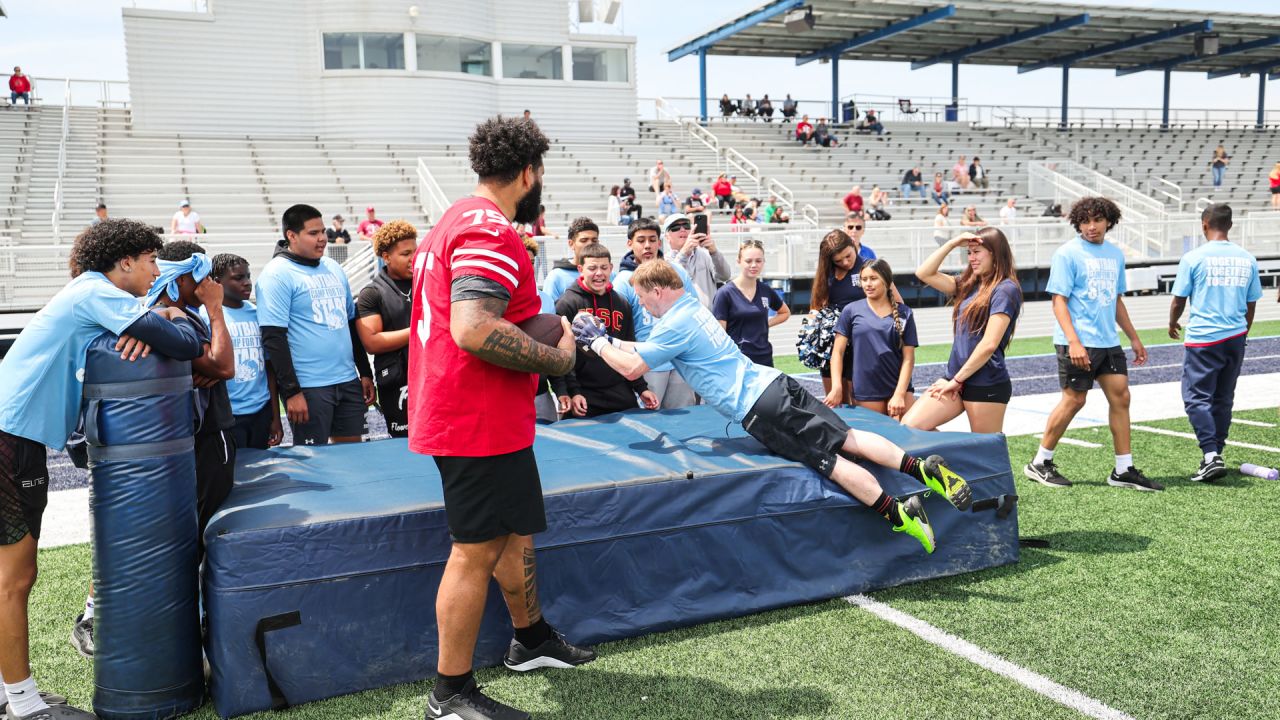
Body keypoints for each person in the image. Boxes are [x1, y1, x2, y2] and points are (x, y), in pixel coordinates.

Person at [579, 259, 976, 557]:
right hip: (774, 383)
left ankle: (898, 513)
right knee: (849, 437)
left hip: (760, 407)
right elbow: (645, 351)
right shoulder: (692, 310)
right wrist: (608, 339)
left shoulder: (673, 324)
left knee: (831, 461)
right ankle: (921, 468)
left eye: (643, 298)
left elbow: (634, 365)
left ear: (659, 290)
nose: (643, 307)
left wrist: (597, 343)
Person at [409, 115, 594, 720]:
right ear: (527, 172)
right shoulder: (489, 228)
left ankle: (531, 638)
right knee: (475, 551)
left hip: (484, 413)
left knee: (514, 532)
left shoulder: (459, 218)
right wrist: (557, 356)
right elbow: (474, 327)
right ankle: (450, 693)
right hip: (474, 417)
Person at [4, 220, 204, 697]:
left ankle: (8, 691)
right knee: (16, 575)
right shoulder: (96, 293)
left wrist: (164, 320)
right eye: (151, 260)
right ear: (126, 262)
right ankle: (22, 701)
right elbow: (187, 343)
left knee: (10, 574)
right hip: (10, 434)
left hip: (14, 432)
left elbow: (171, 328)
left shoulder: (92, 293)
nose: (156, 270)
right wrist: (167, 323)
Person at [1025, 197, 1156, 491]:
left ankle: (1123, 469)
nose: (1091, 227)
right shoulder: (1067, 253)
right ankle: (1040, 462)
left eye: (1097, 220)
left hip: (1108, 341)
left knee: (1121, 397)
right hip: (1078, 341)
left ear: (1109, 220)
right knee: (1075, 399)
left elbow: (1116, 299)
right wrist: (1074, 341)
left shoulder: (1115, 254)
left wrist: (1133, 337)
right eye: (1085, 221)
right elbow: (1058, 301)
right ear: (1077, 224)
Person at [258, 204, 375, 447]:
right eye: (313, 233)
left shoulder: (333, 267)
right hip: (309, 388)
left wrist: (364, 372)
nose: (322, 238)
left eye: (322, 231)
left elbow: (350, 323)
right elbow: (273, 338)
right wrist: (291, 392)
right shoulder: (276, 274)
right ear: (291, 235)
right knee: (316, 464)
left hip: (347, 381)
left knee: (355, 456)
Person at [150, 241, 238, 541]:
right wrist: (215, 309)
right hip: (205, 433)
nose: (210, 284)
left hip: (188, 432)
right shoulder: (171, 316)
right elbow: (225, 367)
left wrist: (210, 367)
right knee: (207, 522)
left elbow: (216, 367)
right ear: (181, 279)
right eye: (203, 276)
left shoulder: (179, 314)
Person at [1168, 204, 1262, 482]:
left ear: (1204, 225)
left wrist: (1173, 321)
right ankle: (1215, 453)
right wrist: (1244, 332)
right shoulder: (1248, 259)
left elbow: (1179, 299)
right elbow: (1251, 303)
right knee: (1223, 398)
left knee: (1196, 397)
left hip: (1204, 338)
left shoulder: (1194, 258)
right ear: (1230, 225)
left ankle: (1211, 455)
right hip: (1235, 337)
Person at [902, 229, 1021, 434]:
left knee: (985, 454)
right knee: (910, 427)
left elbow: (989, 344)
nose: (972, 258)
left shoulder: (1005, 288)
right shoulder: (967, 284)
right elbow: (924, 273)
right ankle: (951, 466)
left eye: (977, 252)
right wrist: (952, 244)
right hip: (955, 379)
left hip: (985, 381)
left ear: (995, 252)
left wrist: (957, 380)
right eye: (969, 253)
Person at [551, 243, 657, 417]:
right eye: (592, 268)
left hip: (619, 389)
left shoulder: (622, 303)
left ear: (611, 268)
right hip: (583, 393)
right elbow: (562, 355)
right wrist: (572, 391)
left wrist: (641, 388)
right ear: (580, 269)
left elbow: (630, 350)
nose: (599, 273)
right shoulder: (567, 304)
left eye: (604, 267)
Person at [614, 218, 699, 409]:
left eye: (652, 240)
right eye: (641, 240)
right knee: (648, 421)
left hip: (679, 359)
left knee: (684, 418)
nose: (647, 246)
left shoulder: (676, 271)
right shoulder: (623, 280)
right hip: (647, 362)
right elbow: (622, 329)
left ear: (659, 243)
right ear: (630, 244)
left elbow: (693, 310)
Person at [825, 259, 917, 419]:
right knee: (877, 439)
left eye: (873, 278)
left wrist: (900, 394)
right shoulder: (851, 311)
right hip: (867, 390)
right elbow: (837, 353)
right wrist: (837, 386)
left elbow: (908, 358)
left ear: (887, 282)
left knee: (911, 436)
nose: (868, 284)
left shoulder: (905, 313)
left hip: (899, 388)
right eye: (864, 279)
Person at [209, 253, 282, 451]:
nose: (248, 283)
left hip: (261, 411)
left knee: (262, 473)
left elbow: (268, 368)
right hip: (228, 415)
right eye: (238, 278)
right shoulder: (208, 315)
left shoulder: (257, 313)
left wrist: (275, 416)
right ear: (217, 282)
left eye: (248, 276)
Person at [356, 220, 417, 439]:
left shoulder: (429, 282)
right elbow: (372, 342)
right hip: (398, 383)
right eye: (406, 254)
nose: (414, 259)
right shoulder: (371, 293)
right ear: (386, 257)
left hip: (434, 379)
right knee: (404, 447)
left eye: (416, 251)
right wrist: (420, 331)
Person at [811, 223, 876, 405]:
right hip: (833, 346)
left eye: (848, 256)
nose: (846, 262)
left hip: (861, 343)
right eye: (839, 260)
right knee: (836, 404)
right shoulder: (826, 274)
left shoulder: (870, 268)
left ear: (853, 245)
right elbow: (816, 308)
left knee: (858, 404)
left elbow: (897, 303)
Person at [712, 239, 790, 366]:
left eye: (758, 261)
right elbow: (720, 333)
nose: (754, 265)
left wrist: (765, 324)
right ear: (739, 262)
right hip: (738, 361)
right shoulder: (725, 293)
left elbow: (785, 312)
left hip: (764, 359)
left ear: (763, 262)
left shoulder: (766, 290)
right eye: (748, 261)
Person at [663, 213, 731, 310]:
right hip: (683, 319)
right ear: (667, 237)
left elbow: (725, 276)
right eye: (675, 227)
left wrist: (714, 252)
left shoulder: (705, 254)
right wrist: (684, 253)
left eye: (686, 226)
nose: (682, 229)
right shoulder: (664, 260)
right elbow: (670, 282)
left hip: (709, 318)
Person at [541, 217, 601, 306]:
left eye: (594, 240)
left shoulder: (607, 275)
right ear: (571, 244)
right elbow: (549, 314)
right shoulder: (556, 277)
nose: (590, 244)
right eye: (584, 240)